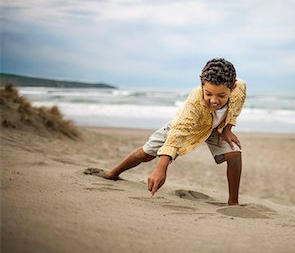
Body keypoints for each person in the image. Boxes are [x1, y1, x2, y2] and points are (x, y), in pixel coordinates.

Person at [84, 58, 247, 205]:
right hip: (185, 126)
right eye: (208, 94)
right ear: (202, 85)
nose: (214, 100)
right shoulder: (195, 103)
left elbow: (236, 106)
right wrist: (161, 168)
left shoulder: (239, 88)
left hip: (214, 128)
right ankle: (113, 173)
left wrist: (227, 129)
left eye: (221, 95)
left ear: (232, 88)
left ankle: (233, 202)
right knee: (145, 154)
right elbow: (178, 132)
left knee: (234, 154)